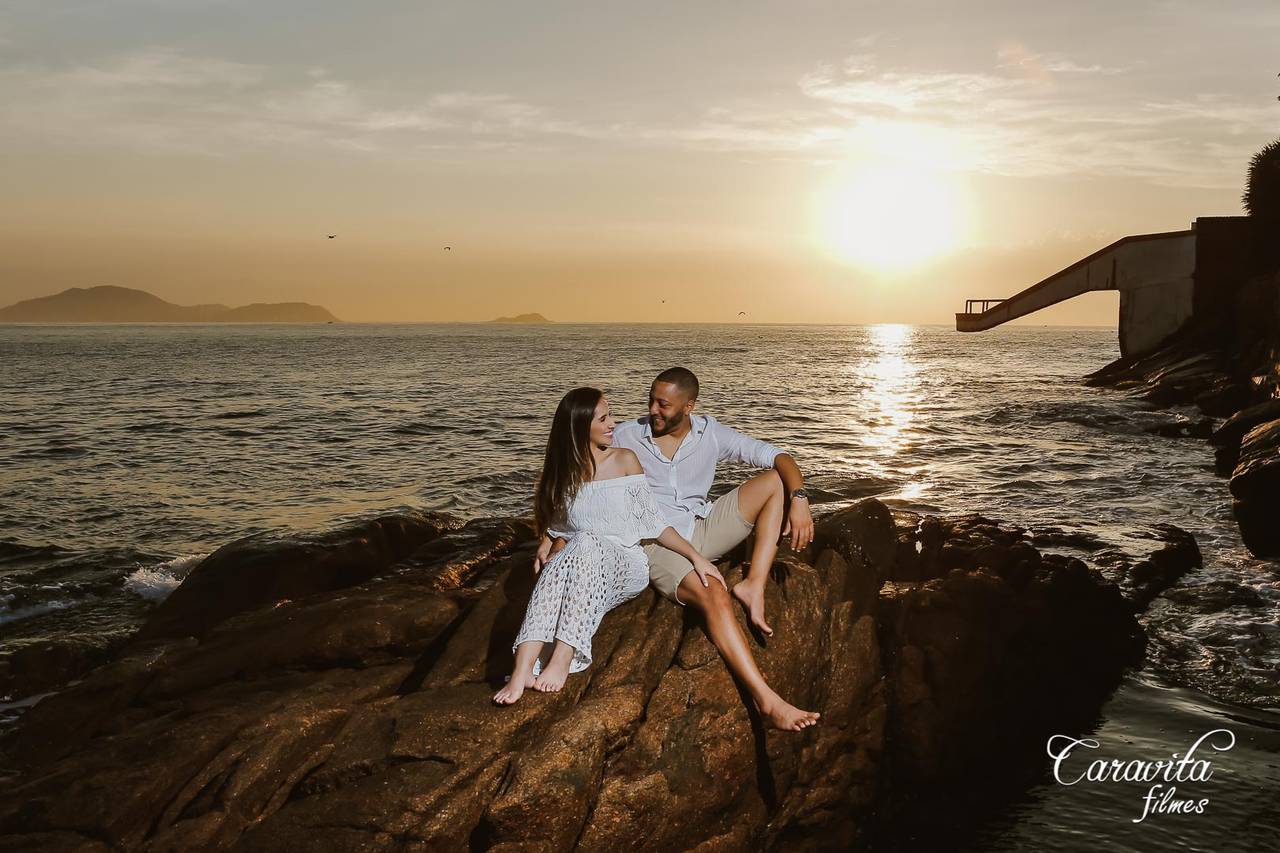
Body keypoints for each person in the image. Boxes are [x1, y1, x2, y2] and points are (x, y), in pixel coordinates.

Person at [539, 367, 820, 732]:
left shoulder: (710, 433)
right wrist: (553, 532)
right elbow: (574, 468)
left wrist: (799, 499)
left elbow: (779, 457)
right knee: (714, 592)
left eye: (663, 404)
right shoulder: (625, 435)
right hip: (658, 542)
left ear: (689, 407)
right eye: (651, 400)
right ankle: (766, 700)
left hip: (701, 527)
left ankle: (754, 585)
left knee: (775, 483)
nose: (652, 410)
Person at [493, 386, 720, 706]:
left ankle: (561, 657)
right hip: (582, 559)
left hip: (625, 563)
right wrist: (546, 539)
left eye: (610, 415)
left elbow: (654, 524)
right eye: (603, 418)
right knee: (569, 553)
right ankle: (522, 669)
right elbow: (561, 525)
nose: (613, 423)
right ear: (581, 427)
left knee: (583, 543)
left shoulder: (625, 460)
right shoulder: (563, 475)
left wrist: (696, 558)